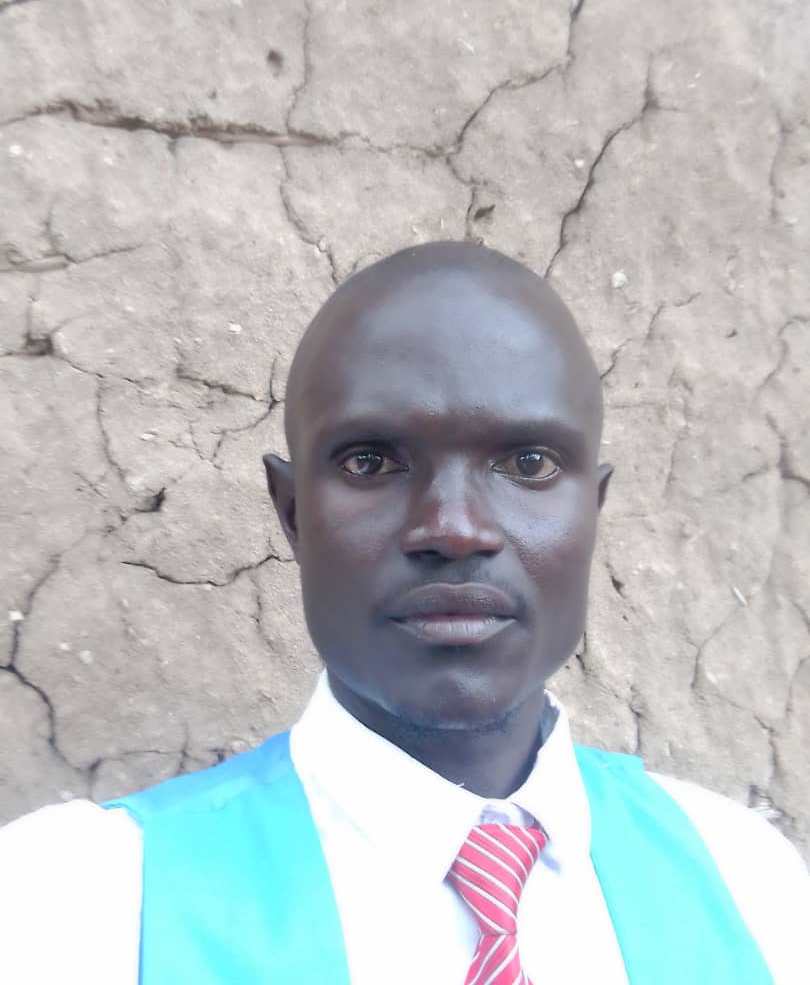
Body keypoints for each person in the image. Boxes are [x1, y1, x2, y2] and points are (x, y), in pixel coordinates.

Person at [0, 242, 807, 984]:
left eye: (528, 462)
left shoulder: (753, 886)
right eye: (371, 461)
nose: (454, 528)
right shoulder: (78, 913)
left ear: (592, 512)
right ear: (291, 512)